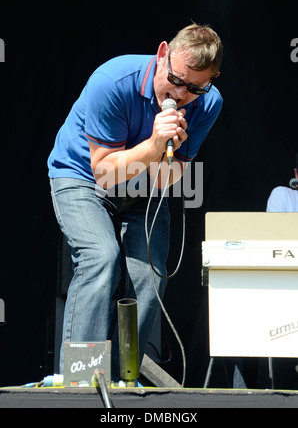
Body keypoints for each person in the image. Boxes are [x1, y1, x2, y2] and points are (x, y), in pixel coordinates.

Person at [48, 23, 224, 380]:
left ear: (211, 80)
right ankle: (80, 380)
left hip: (142, 189)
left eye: (195, 87)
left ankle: (117, 380)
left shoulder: (209, 103)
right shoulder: (112, 81)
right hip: (81, 176)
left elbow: (168, 179)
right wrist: (155, 146)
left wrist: (167, 155)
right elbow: (104, 171)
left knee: (152, 278)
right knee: (102, 257)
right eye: (175, 79)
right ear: (162, 55)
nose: (182, 92)